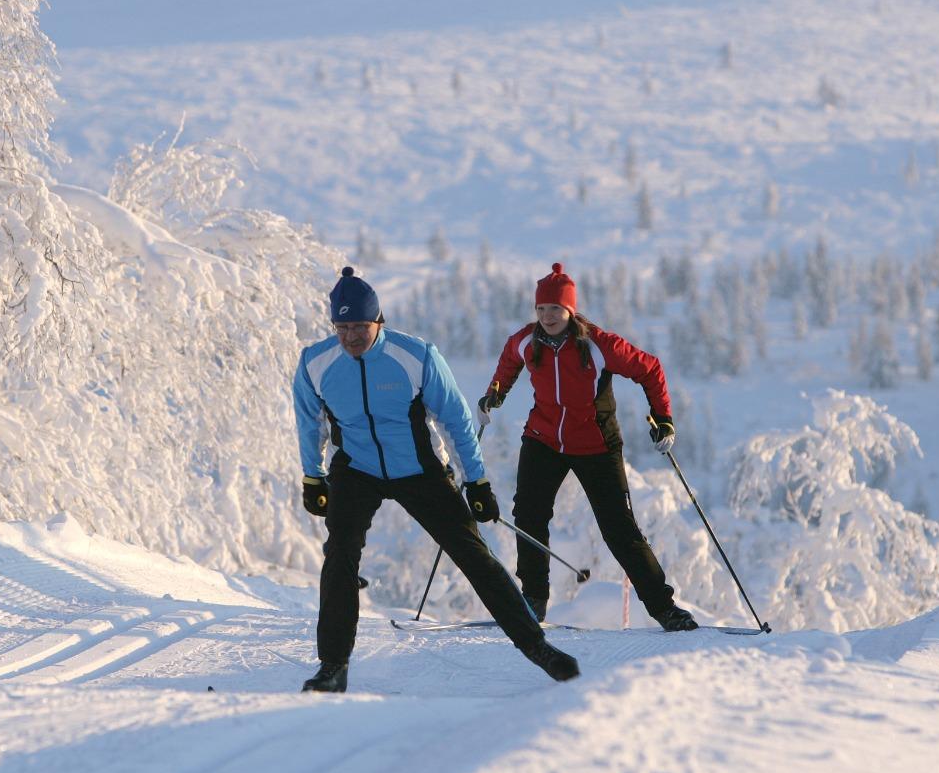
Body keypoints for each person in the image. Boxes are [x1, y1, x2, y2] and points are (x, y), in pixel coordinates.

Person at [294, 266, 580, 692]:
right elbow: (309, 421)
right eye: (343, 326)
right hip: (356, 468)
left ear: (379, 321)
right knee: (339, 556)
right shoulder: (316, 363)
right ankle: (333, 666)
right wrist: (313, 476)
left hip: (418, 468)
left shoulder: (415, 356)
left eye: (360, 326)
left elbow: (456, 420)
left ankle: (538, 647)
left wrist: (476, 481)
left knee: (472, 554)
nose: (351, 336)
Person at [479, 263, 698, 632]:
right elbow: (509, 361)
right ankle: (533, 601)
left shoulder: (599, 345)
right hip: (543, 439)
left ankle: (664, 608)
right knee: (528, 516)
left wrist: (663, 418)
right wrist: (496, 392)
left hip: (596, 444)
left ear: (570, 310)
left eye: (555, 309)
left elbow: (650, 369)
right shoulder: (525, 341)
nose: (547, 316)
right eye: (541, 309)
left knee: (619, 529)